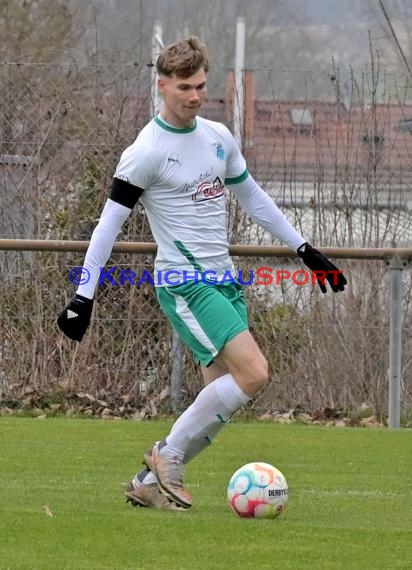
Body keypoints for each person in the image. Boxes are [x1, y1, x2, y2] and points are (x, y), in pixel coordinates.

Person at [57, 36, 346, 511]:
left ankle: (147, 482)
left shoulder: (217, 137)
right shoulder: (145, 152)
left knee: (217, 398)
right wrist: (83, 296)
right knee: (254, 374)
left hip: (225, 281)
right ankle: (167, 455)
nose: (195, 96)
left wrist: (304, 249)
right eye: (185, 87)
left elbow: (253, 197)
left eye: (202, 87)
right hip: (185, 283)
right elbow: (107, 227)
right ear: (162, 85)